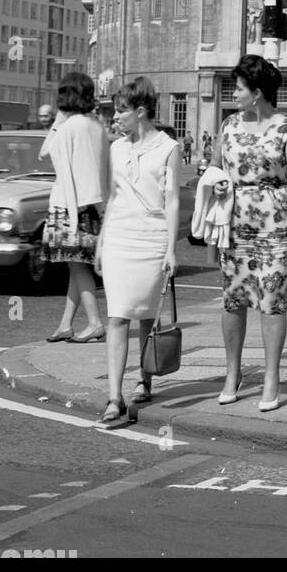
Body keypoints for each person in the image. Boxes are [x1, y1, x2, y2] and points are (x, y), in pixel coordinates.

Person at [206, 56, 287, 410]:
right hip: (235, 222)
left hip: (277, 223)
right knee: (234, 298)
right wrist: (219, 186)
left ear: (257, 92)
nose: (233, 93)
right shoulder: (229, 126)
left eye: (238, 88)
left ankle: (271, 376)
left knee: (272, 301)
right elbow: (215, 169)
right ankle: (232, 372)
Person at [94, 77, 180, 429]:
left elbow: (172, 199)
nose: (115, 117)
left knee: (146, 314)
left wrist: (172, 247)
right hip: (119, 237)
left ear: (140, 112)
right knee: (117, 315)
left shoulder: (168, 148)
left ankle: (145, 378)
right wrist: (100, 240)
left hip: (152, 236)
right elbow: (112, 197)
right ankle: (115, 395)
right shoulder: (116, 149)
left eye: (121, 111)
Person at [41, 73, 109, 344]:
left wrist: (59, 119)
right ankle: (65, 324)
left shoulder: (69, 127)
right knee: (77, 265)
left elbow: (45, 152)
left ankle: (94, 322)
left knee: (77, 267)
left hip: (68, 205)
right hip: (91, 204)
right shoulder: (96, 125)